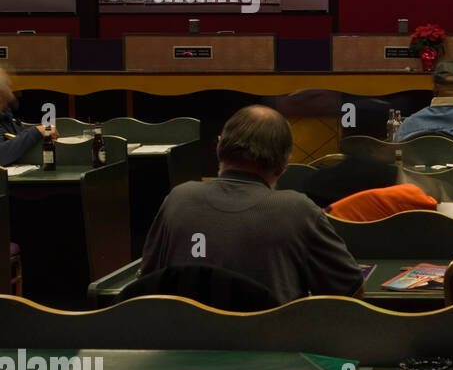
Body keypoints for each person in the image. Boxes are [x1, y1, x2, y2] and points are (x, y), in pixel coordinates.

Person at [140, 106, 364, 304]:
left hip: (183, 345)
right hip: (269, 348)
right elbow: (351, 289)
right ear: (285, 162)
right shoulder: (299, 210)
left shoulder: (178, 199)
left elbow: (147, 283)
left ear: (219, 148)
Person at [0, 69, 57, 167]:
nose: (11, 93)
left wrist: (41, 133)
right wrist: (37, 131)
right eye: (6, 87)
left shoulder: (6, 116)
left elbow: (18, 140)